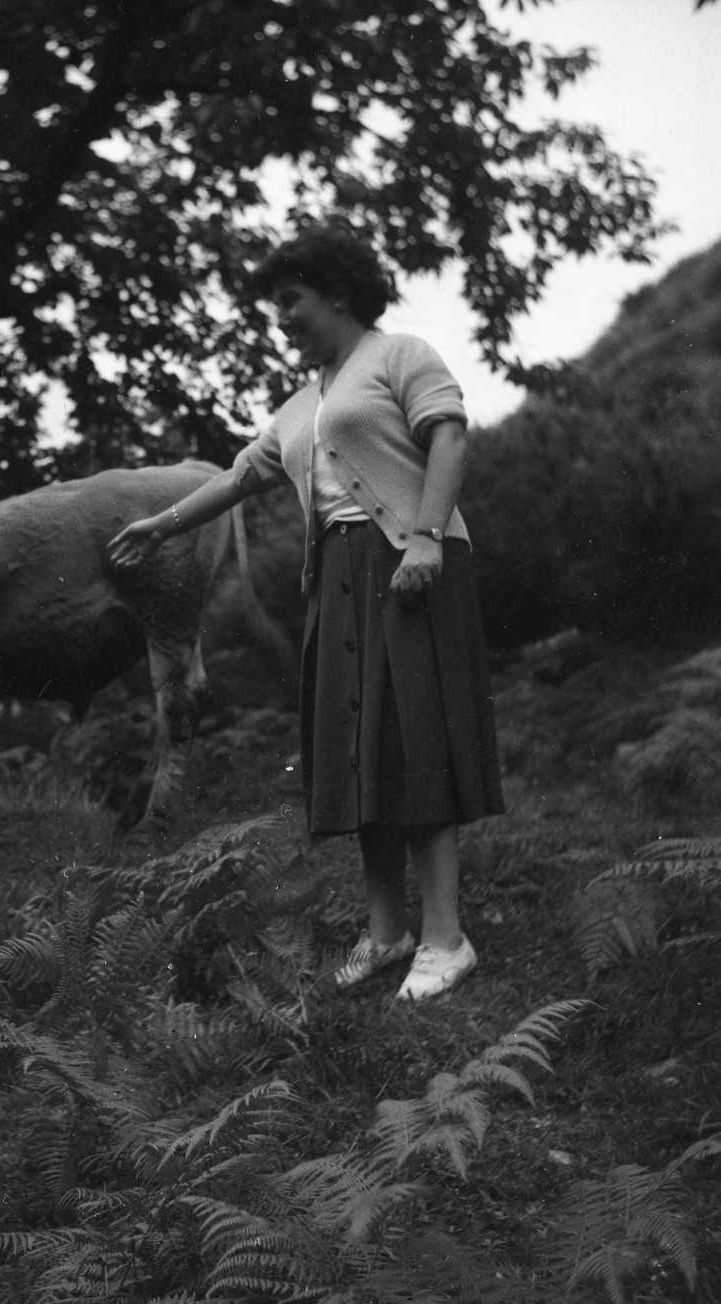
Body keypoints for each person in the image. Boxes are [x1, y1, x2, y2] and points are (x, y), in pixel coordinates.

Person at [108, 223, 504, 1002]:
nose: (281, 318)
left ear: (338, 293)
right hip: (339, 584)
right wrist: (161, 525)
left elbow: (449, 438)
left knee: (410, 745)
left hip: (407, 562)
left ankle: (445, 938)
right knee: (358, 757)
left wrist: (424, 539)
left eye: (289, 300)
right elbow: (238, 476)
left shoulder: (400, 355)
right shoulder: (301, 403)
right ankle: (388, 932)